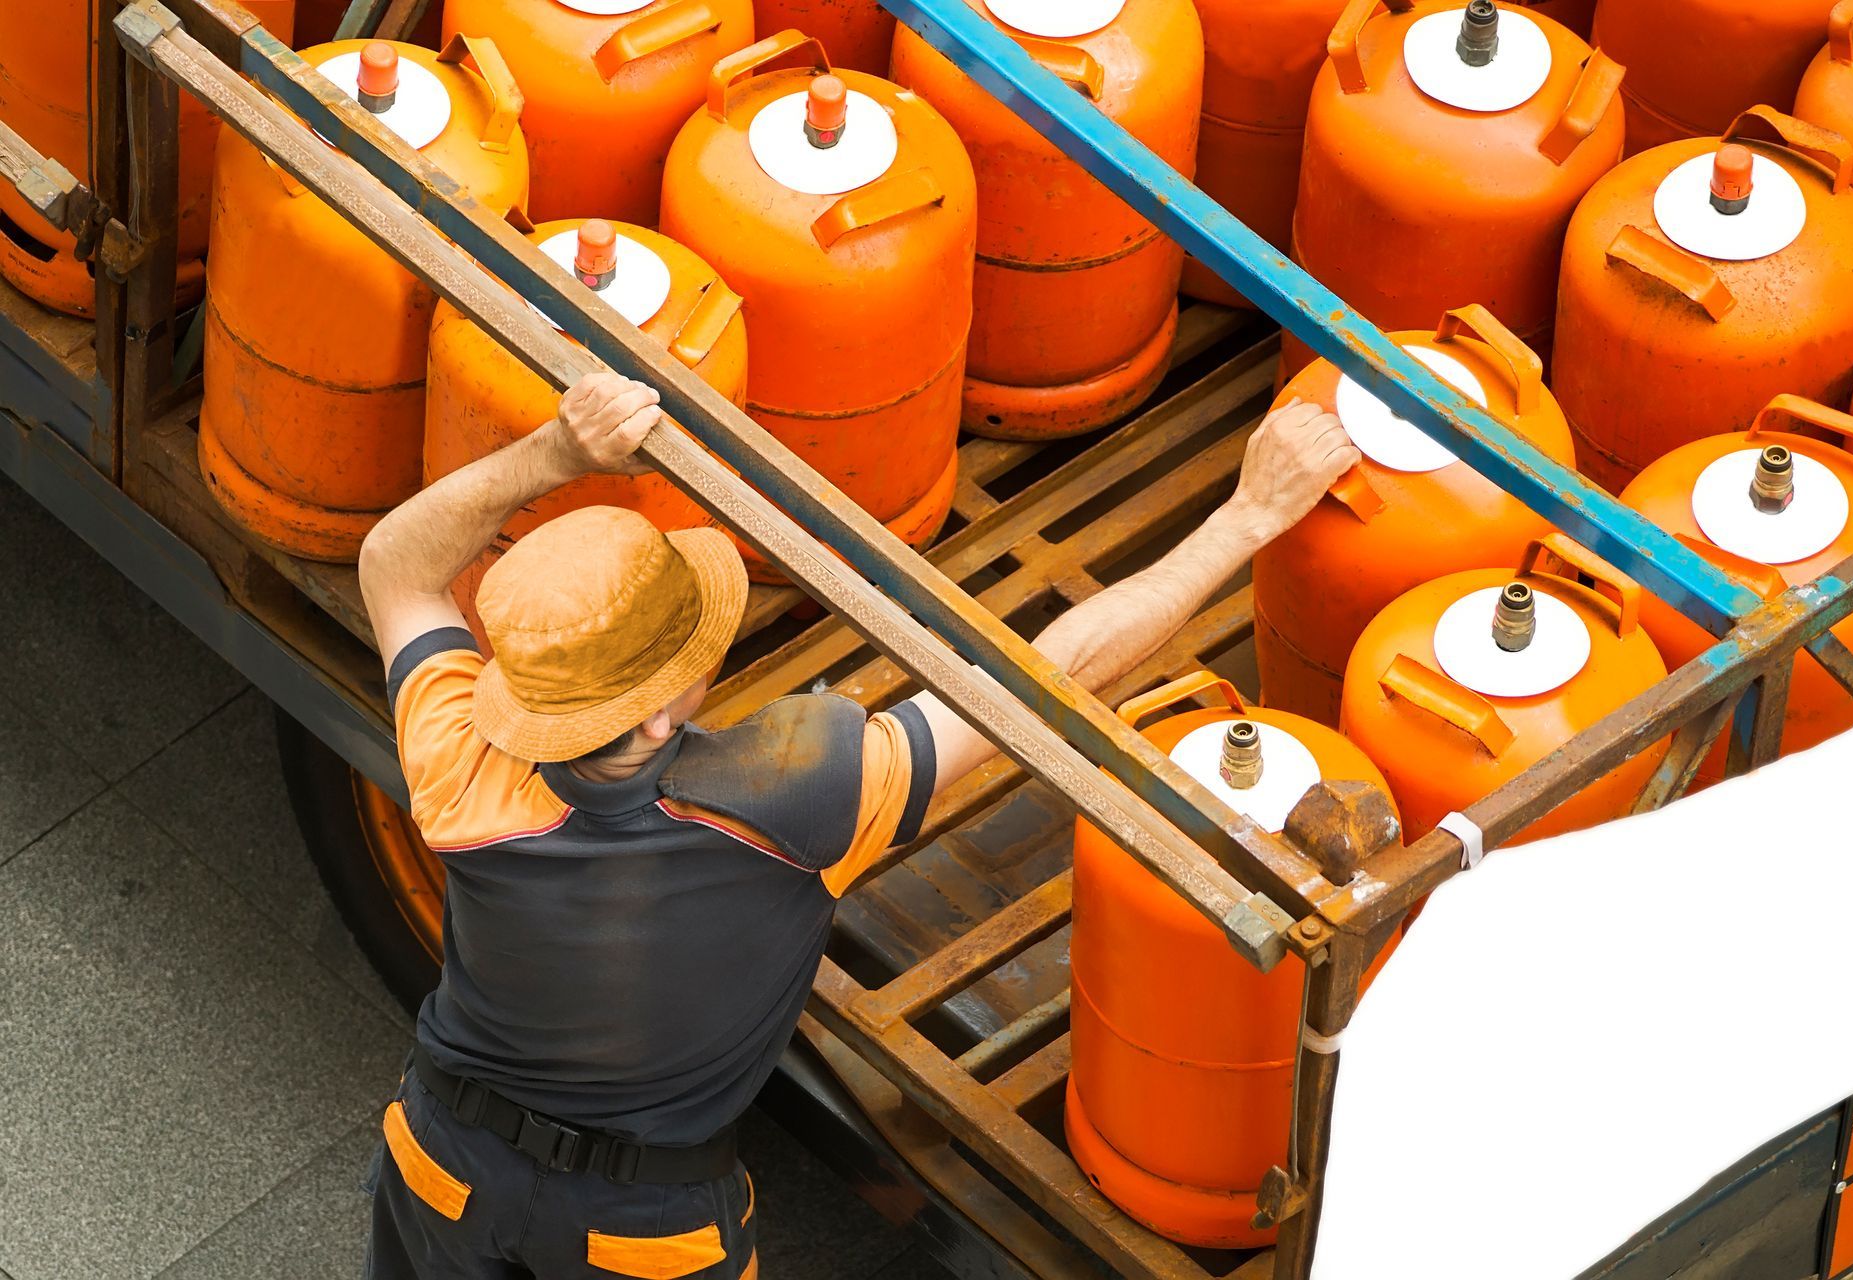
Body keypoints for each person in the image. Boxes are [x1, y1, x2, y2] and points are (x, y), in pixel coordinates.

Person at [355, 370, 1358, 1279]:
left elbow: (394, 565)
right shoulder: (796, 795)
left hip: (444, 1164)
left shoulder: (460, 764)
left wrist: (553, 451)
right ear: (660, 713)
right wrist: (1250, 512)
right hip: (639, 1236)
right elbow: (1056, 675)